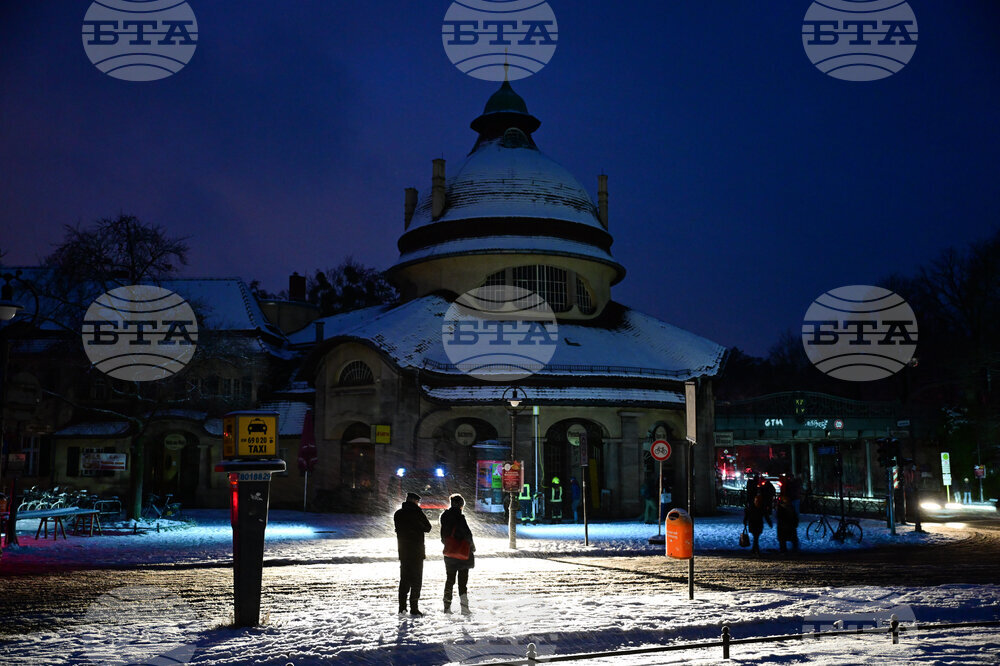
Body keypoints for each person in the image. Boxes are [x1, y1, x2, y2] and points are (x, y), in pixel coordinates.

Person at [394, 491, 431, 616]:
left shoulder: (398, 514)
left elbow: (398, 529)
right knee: (416, 581)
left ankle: (402, 607)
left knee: (404, 580)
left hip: (404, 551)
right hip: (417, 552)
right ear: (415, 501)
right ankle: (414, 608)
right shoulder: (417, 513)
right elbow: (428, 528)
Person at [440, 493, 475, 614]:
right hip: (462, 554)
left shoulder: (444, 516)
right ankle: (464, 608)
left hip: (449, 553)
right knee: (462, 582)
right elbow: (467, 536)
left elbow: (443, 536)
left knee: (449, 580)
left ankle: (446, 607)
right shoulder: (460, 518)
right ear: (460, 505)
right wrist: (472, 547)